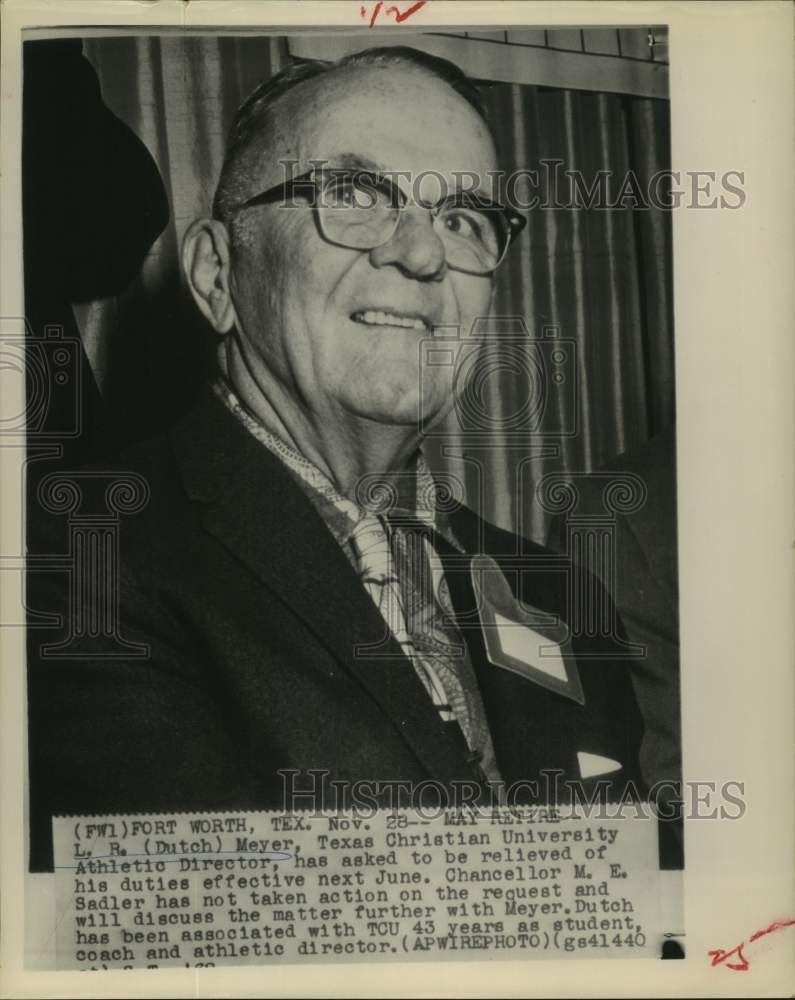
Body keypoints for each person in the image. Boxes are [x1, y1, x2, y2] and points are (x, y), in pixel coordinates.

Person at [27, 47, 644, 870]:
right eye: (353, 193)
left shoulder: (556, 594)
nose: (422, 255)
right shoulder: (75, 558)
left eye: (462, 218)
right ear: (217, 274)